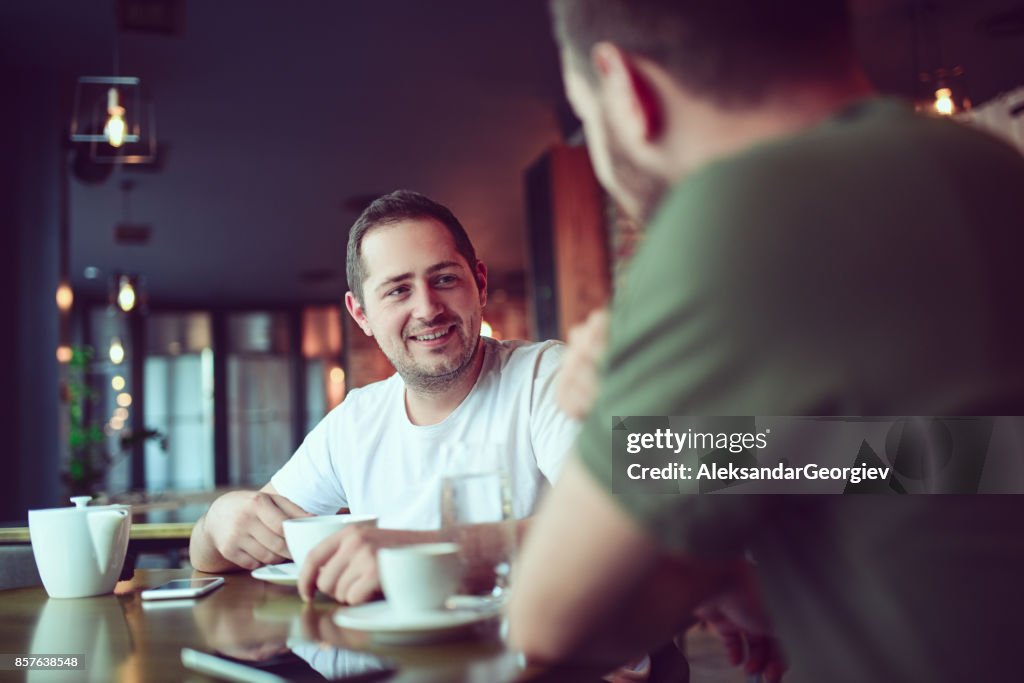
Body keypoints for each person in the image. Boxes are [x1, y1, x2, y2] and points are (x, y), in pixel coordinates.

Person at [509, 1, 1024, 681]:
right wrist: (742, 573)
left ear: (625, 89)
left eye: (585, 113)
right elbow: (970, 457)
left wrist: (636, 432)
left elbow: (546, 620)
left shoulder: (739, 215)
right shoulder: (990, 168)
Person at [190, 190, 577, 604]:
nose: (428, 309)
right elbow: (206, 554)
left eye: (444, 279)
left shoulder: (556, 373)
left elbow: (650, 506)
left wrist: (417, 554)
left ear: (479, 284)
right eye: (397, 290)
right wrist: (215, 525)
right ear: (361, 315)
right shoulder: (354, 420)